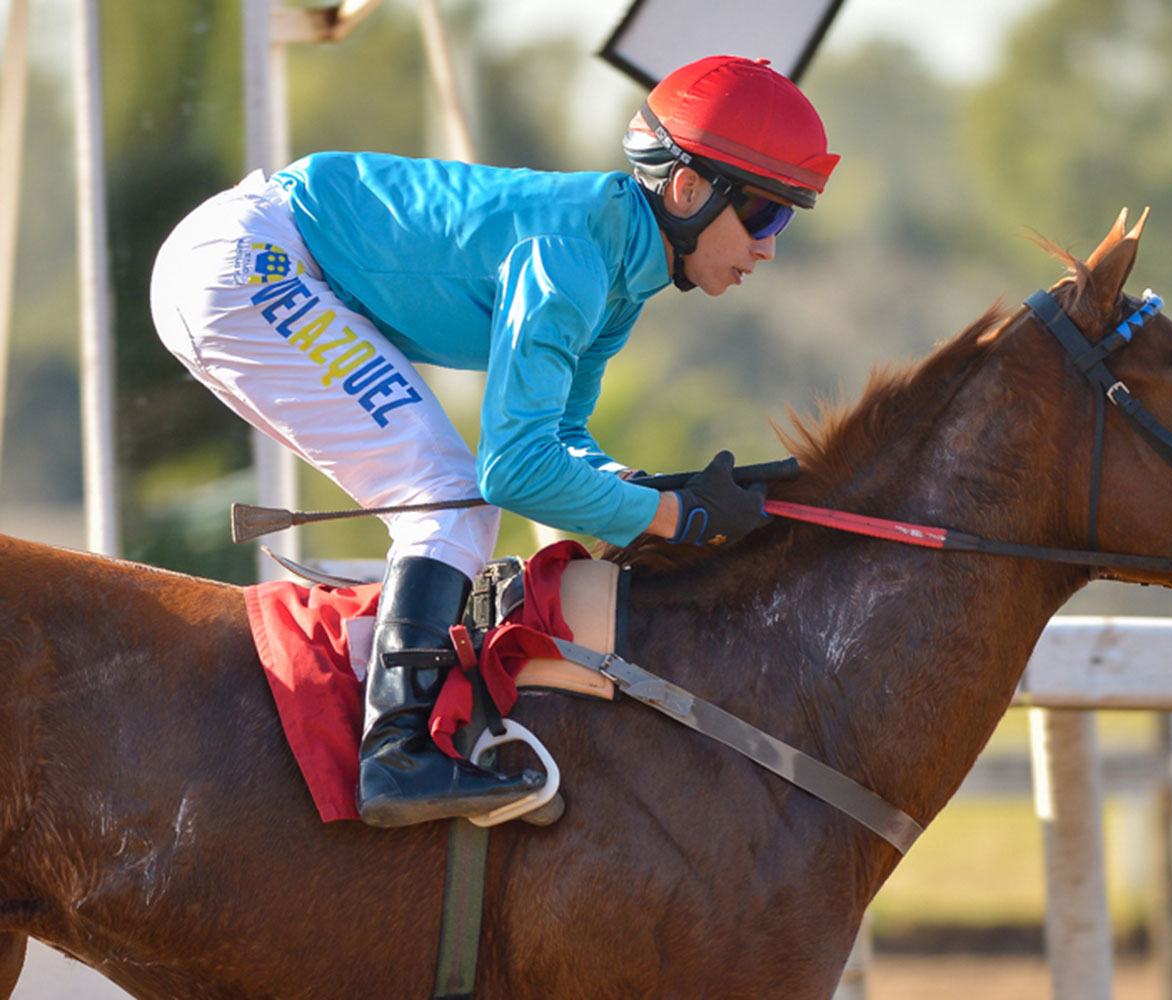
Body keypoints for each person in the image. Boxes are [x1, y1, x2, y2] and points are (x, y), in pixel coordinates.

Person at [150, 55, 839, 828]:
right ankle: (397, 751)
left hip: (253, 259)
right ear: (686, 189)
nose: (768, 247)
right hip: (253, 265)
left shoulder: (619, 271)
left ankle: (401, 737)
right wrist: (675, 521)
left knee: (453, 495)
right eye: (763, 215)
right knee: (450, 495)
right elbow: (513, 470)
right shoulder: (573, 259)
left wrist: (654, 490)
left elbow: (562, 438)